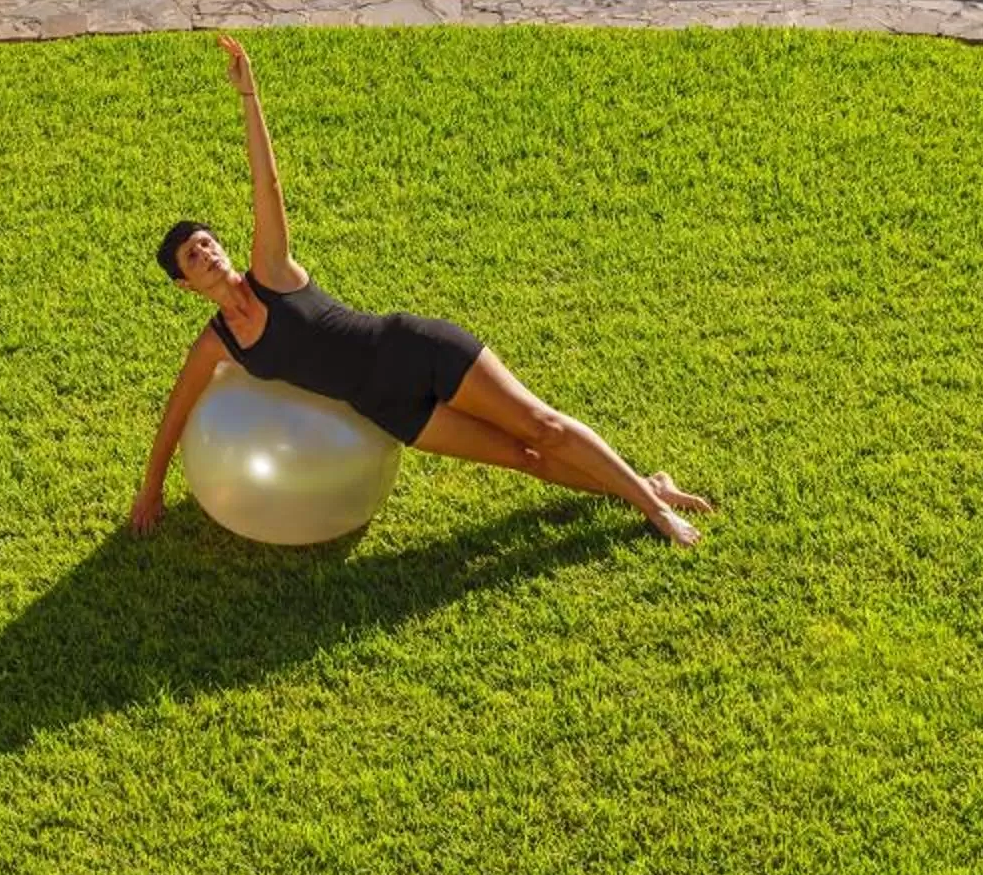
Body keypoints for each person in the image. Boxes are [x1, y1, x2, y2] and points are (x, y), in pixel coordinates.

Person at [131, 36, 713, 547]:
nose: (206, 252)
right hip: (386, 408)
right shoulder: (217, 344)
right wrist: (151, 491)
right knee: (522, 458)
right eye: (192, 255)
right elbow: (176, 413)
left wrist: (248, 98)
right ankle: (646, 485)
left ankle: (655, 508)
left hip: (413, 349)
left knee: (543, 427)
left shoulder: (272, 270)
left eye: (208, 242)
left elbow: (268, 185)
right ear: (185, 285)